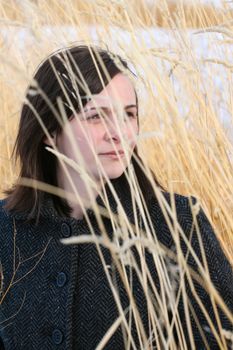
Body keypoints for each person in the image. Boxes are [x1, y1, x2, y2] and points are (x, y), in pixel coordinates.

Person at [0, 44, 232, 350]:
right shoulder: (7, 225)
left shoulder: (178, 223)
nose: (119, 132)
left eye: (129, 114)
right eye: (96, 116)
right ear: (48, 130)